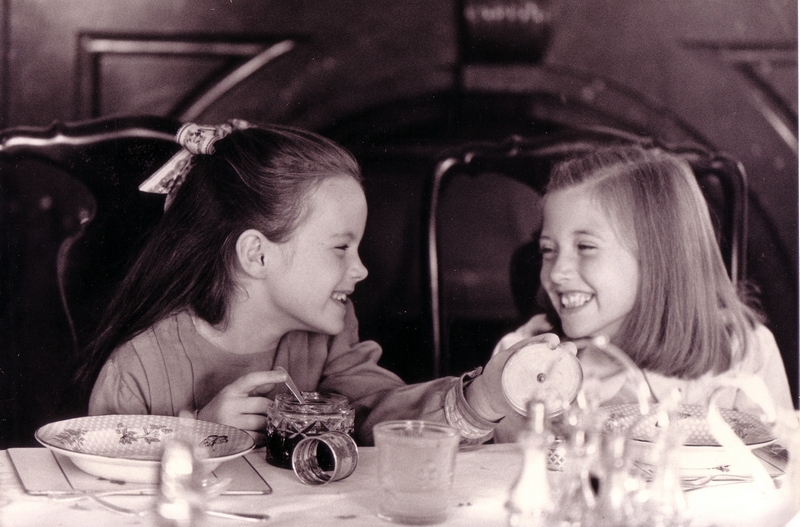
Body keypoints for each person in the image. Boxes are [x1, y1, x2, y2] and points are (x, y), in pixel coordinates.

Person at [78, 120, 528, 446]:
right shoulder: (138, 370)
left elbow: (381, 413)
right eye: (340, 248)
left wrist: (479, 396)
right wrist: (198, 434)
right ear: (257, 254)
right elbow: (96, 495)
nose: (362, 269)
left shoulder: (327, 339)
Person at [492, 145, 794, 442]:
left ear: (660, 257)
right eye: (548, 250)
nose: (556, 273)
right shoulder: (523, 360)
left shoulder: (742, 351)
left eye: (585, 247)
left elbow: (785, 469)